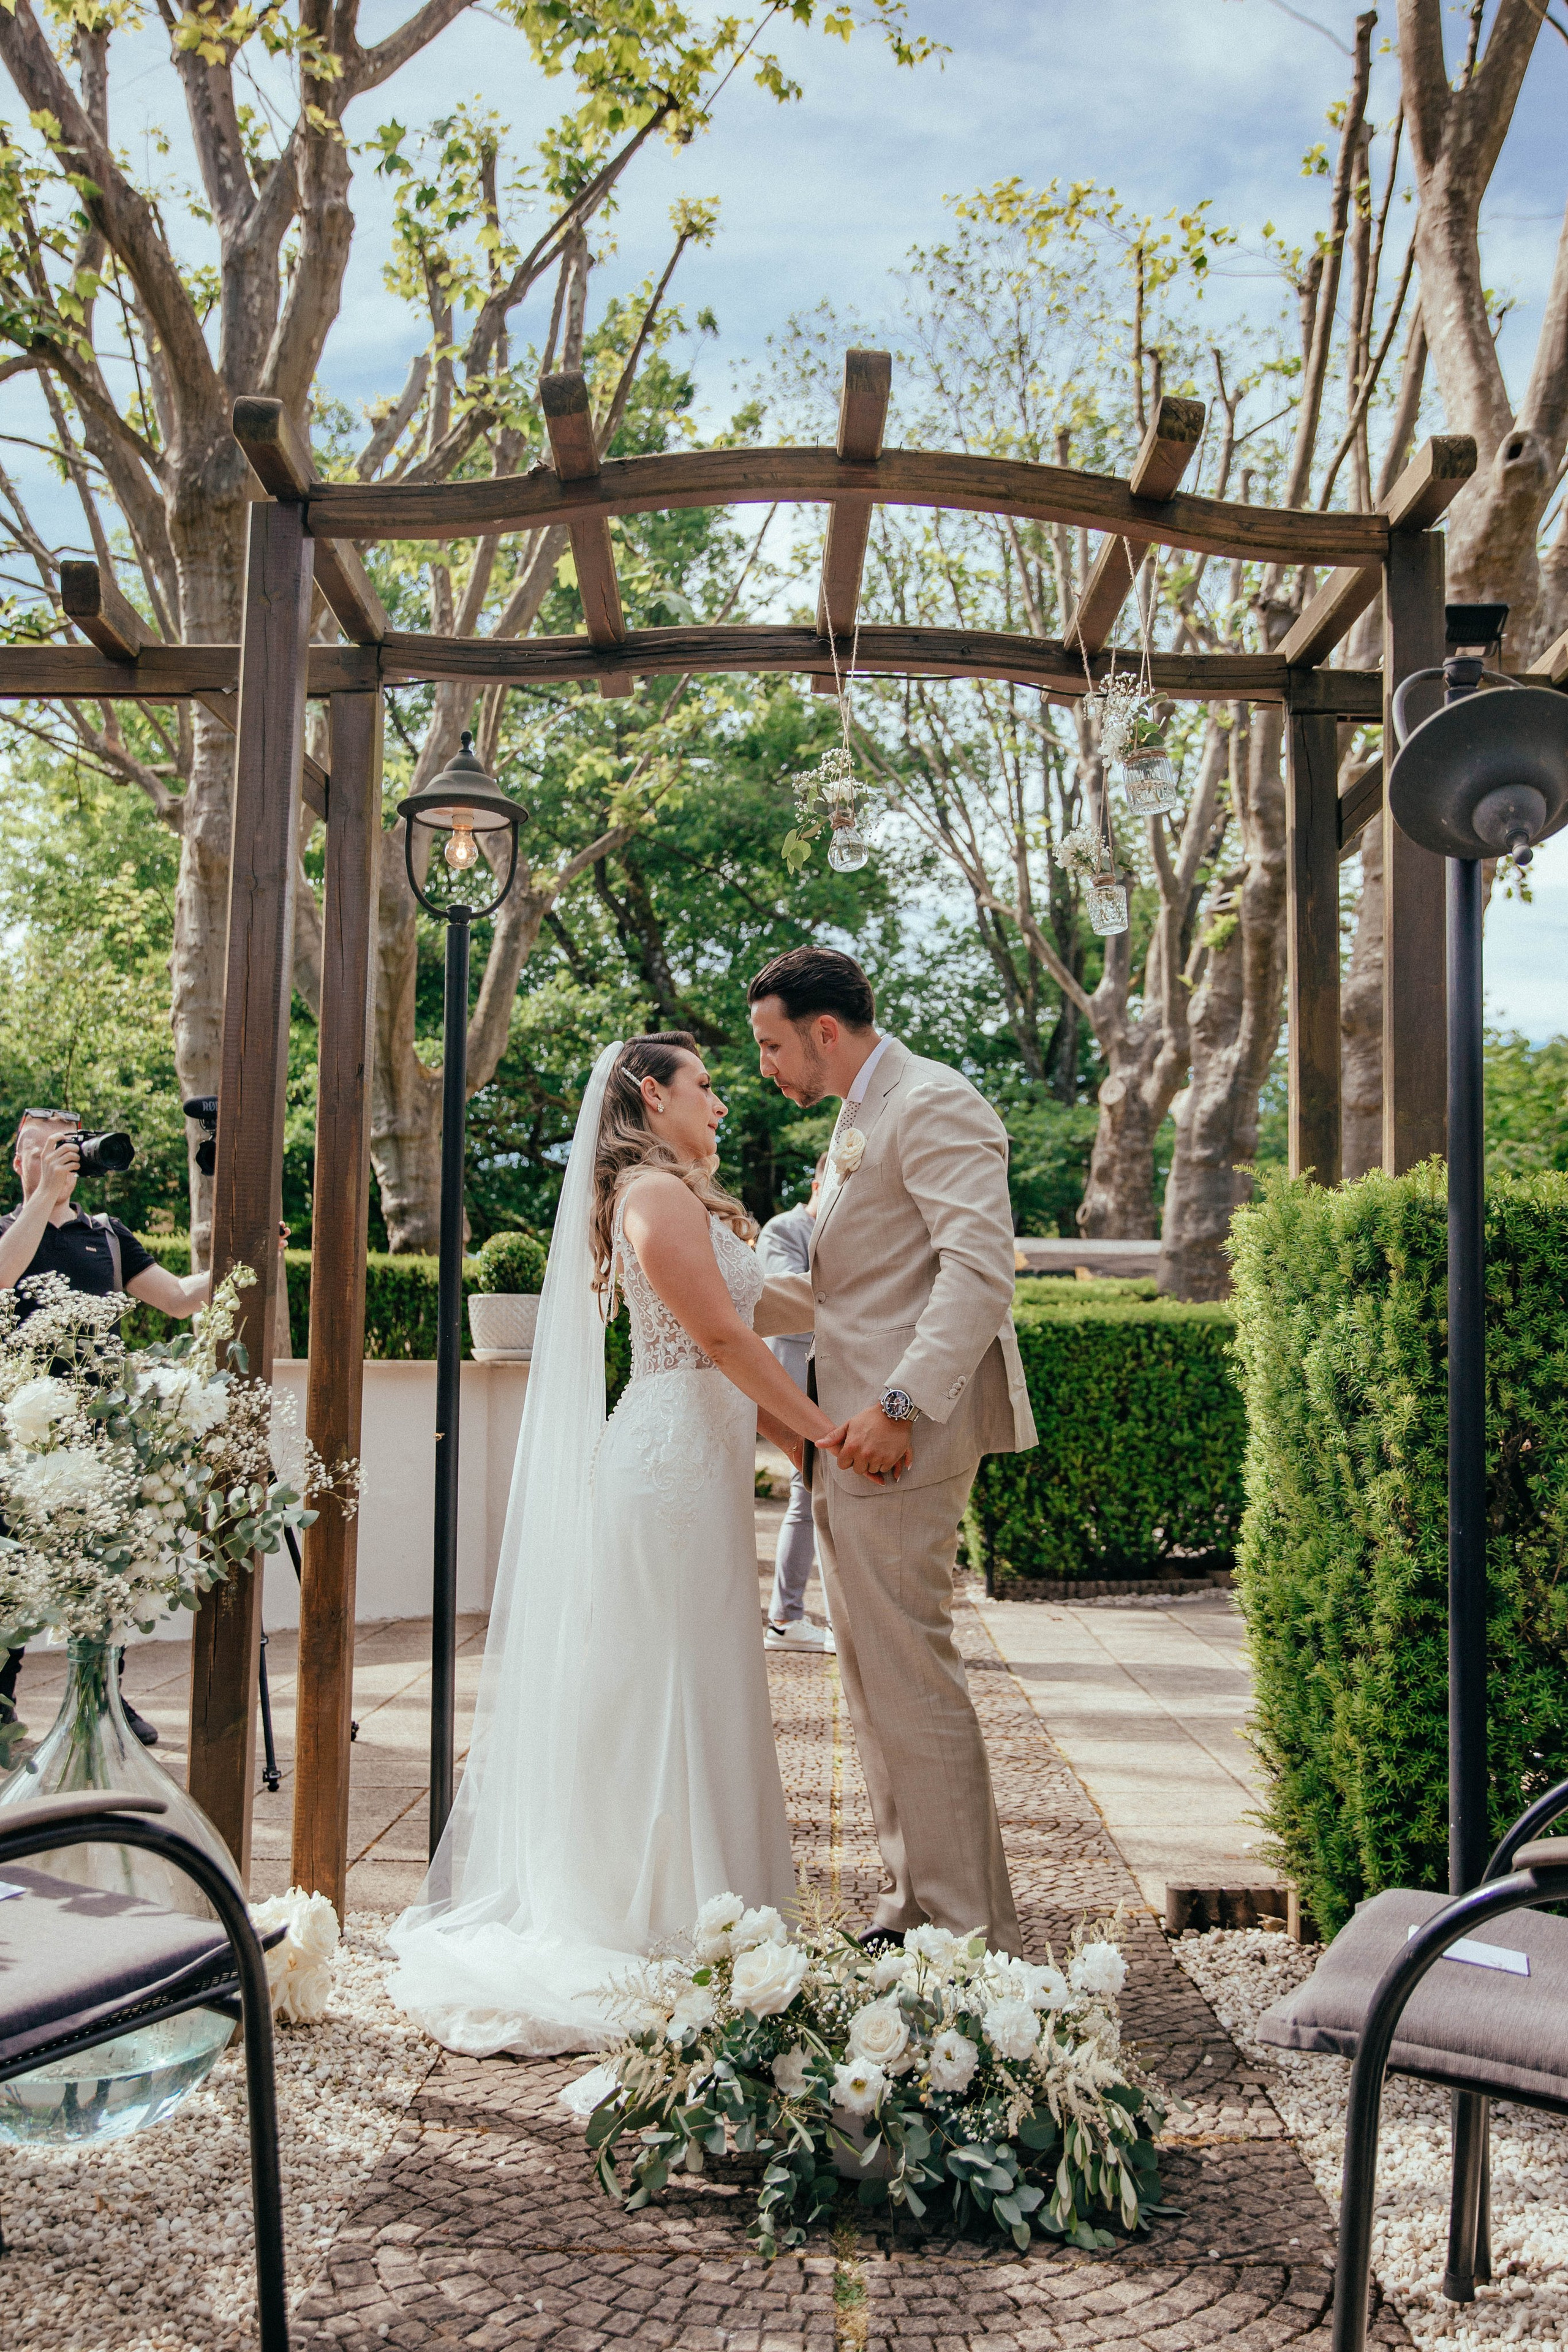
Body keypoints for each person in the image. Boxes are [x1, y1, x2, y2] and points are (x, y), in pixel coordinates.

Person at [386, 1034, 844, 2058]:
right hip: (668, 1465)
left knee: (699, 1672)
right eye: (705, 1085)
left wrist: (810, 1425)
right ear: (651, 1093)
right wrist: (821, 1435)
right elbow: (721, 1340)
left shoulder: (680, 1196)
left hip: (701, 1462)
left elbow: (753, 1323)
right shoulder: (651, 1194)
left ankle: (711, 1901)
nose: (721, 1102)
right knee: (661, 1679)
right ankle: (650, 1910)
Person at [747, 946, 1038, 1956]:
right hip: (848, 1439)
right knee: (874, 1677)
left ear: (824, 1031)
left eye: (772, 1045)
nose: (765, 1067)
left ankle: (970, 1934)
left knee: (911, 1673)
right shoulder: (856, 1118)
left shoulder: (932, 1101)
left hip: (901, 1440)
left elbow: (979, 1273)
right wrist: (712, 1296)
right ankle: (916, 1904)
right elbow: (850, 1292)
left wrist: (901, 1404)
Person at [0, 1109, 211, 1749]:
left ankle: (102, 1697)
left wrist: (249, 1255)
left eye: (69, 1146)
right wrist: (41, 1199)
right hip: (17, 1433)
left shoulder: (108, 1235)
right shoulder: (7, 1229)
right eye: (43, 1149)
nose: (60, 1157)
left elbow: (178, 1299)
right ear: (19, 1161)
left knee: (104, 1567)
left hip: (99, 1429)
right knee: (10, 1572)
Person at [757, 1155, 834, 1654]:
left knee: (823, 1497)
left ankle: (803, 1616)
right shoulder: (784, 1230)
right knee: (806, 1494)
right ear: (818, 1183)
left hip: (842, 1376)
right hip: (796, 1377)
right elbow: (787, 1298)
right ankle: (786, 1616)